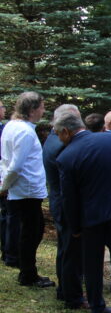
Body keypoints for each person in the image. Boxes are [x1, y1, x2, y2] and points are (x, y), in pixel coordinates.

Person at [55, 111, 111, 313]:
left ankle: (98, 307)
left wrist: (74, 227)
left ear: (66, 131)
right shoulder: (110, 139)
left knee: (92, 264)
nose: (58, 138)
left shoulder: (65, 157)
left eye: (58, 133)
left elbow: (69, 198)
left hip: (91, 217)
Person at [0, 92, 54, 288]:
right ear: (32, 110)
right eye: (41, 107)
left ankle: (28, 271)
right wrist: (4, 186)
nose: (43, 110)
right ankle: (28, 275)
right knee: (31, 233)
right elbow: (15, 165)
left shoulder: (11, 126)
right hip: (26, 190)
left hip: (23, 189)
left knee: (32, 231)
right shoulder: (24, 131)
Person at [44, 105, 87, 308]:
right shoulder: (62, 145)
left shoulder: (53, 138)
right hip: (66, 204)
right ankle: (73, 297)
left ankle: (64, 290)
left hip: (58, 200)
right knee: (72, 253)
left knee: (65, 250)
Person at [0, 100, 20, 269]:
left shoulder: (5, 127)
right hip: (5, 178)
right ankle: (9, 253)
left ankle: (7, 251)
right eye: (2, 107)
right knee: (8, 217)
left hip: (4, 176)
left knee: (7, 215)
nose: (4, 110)